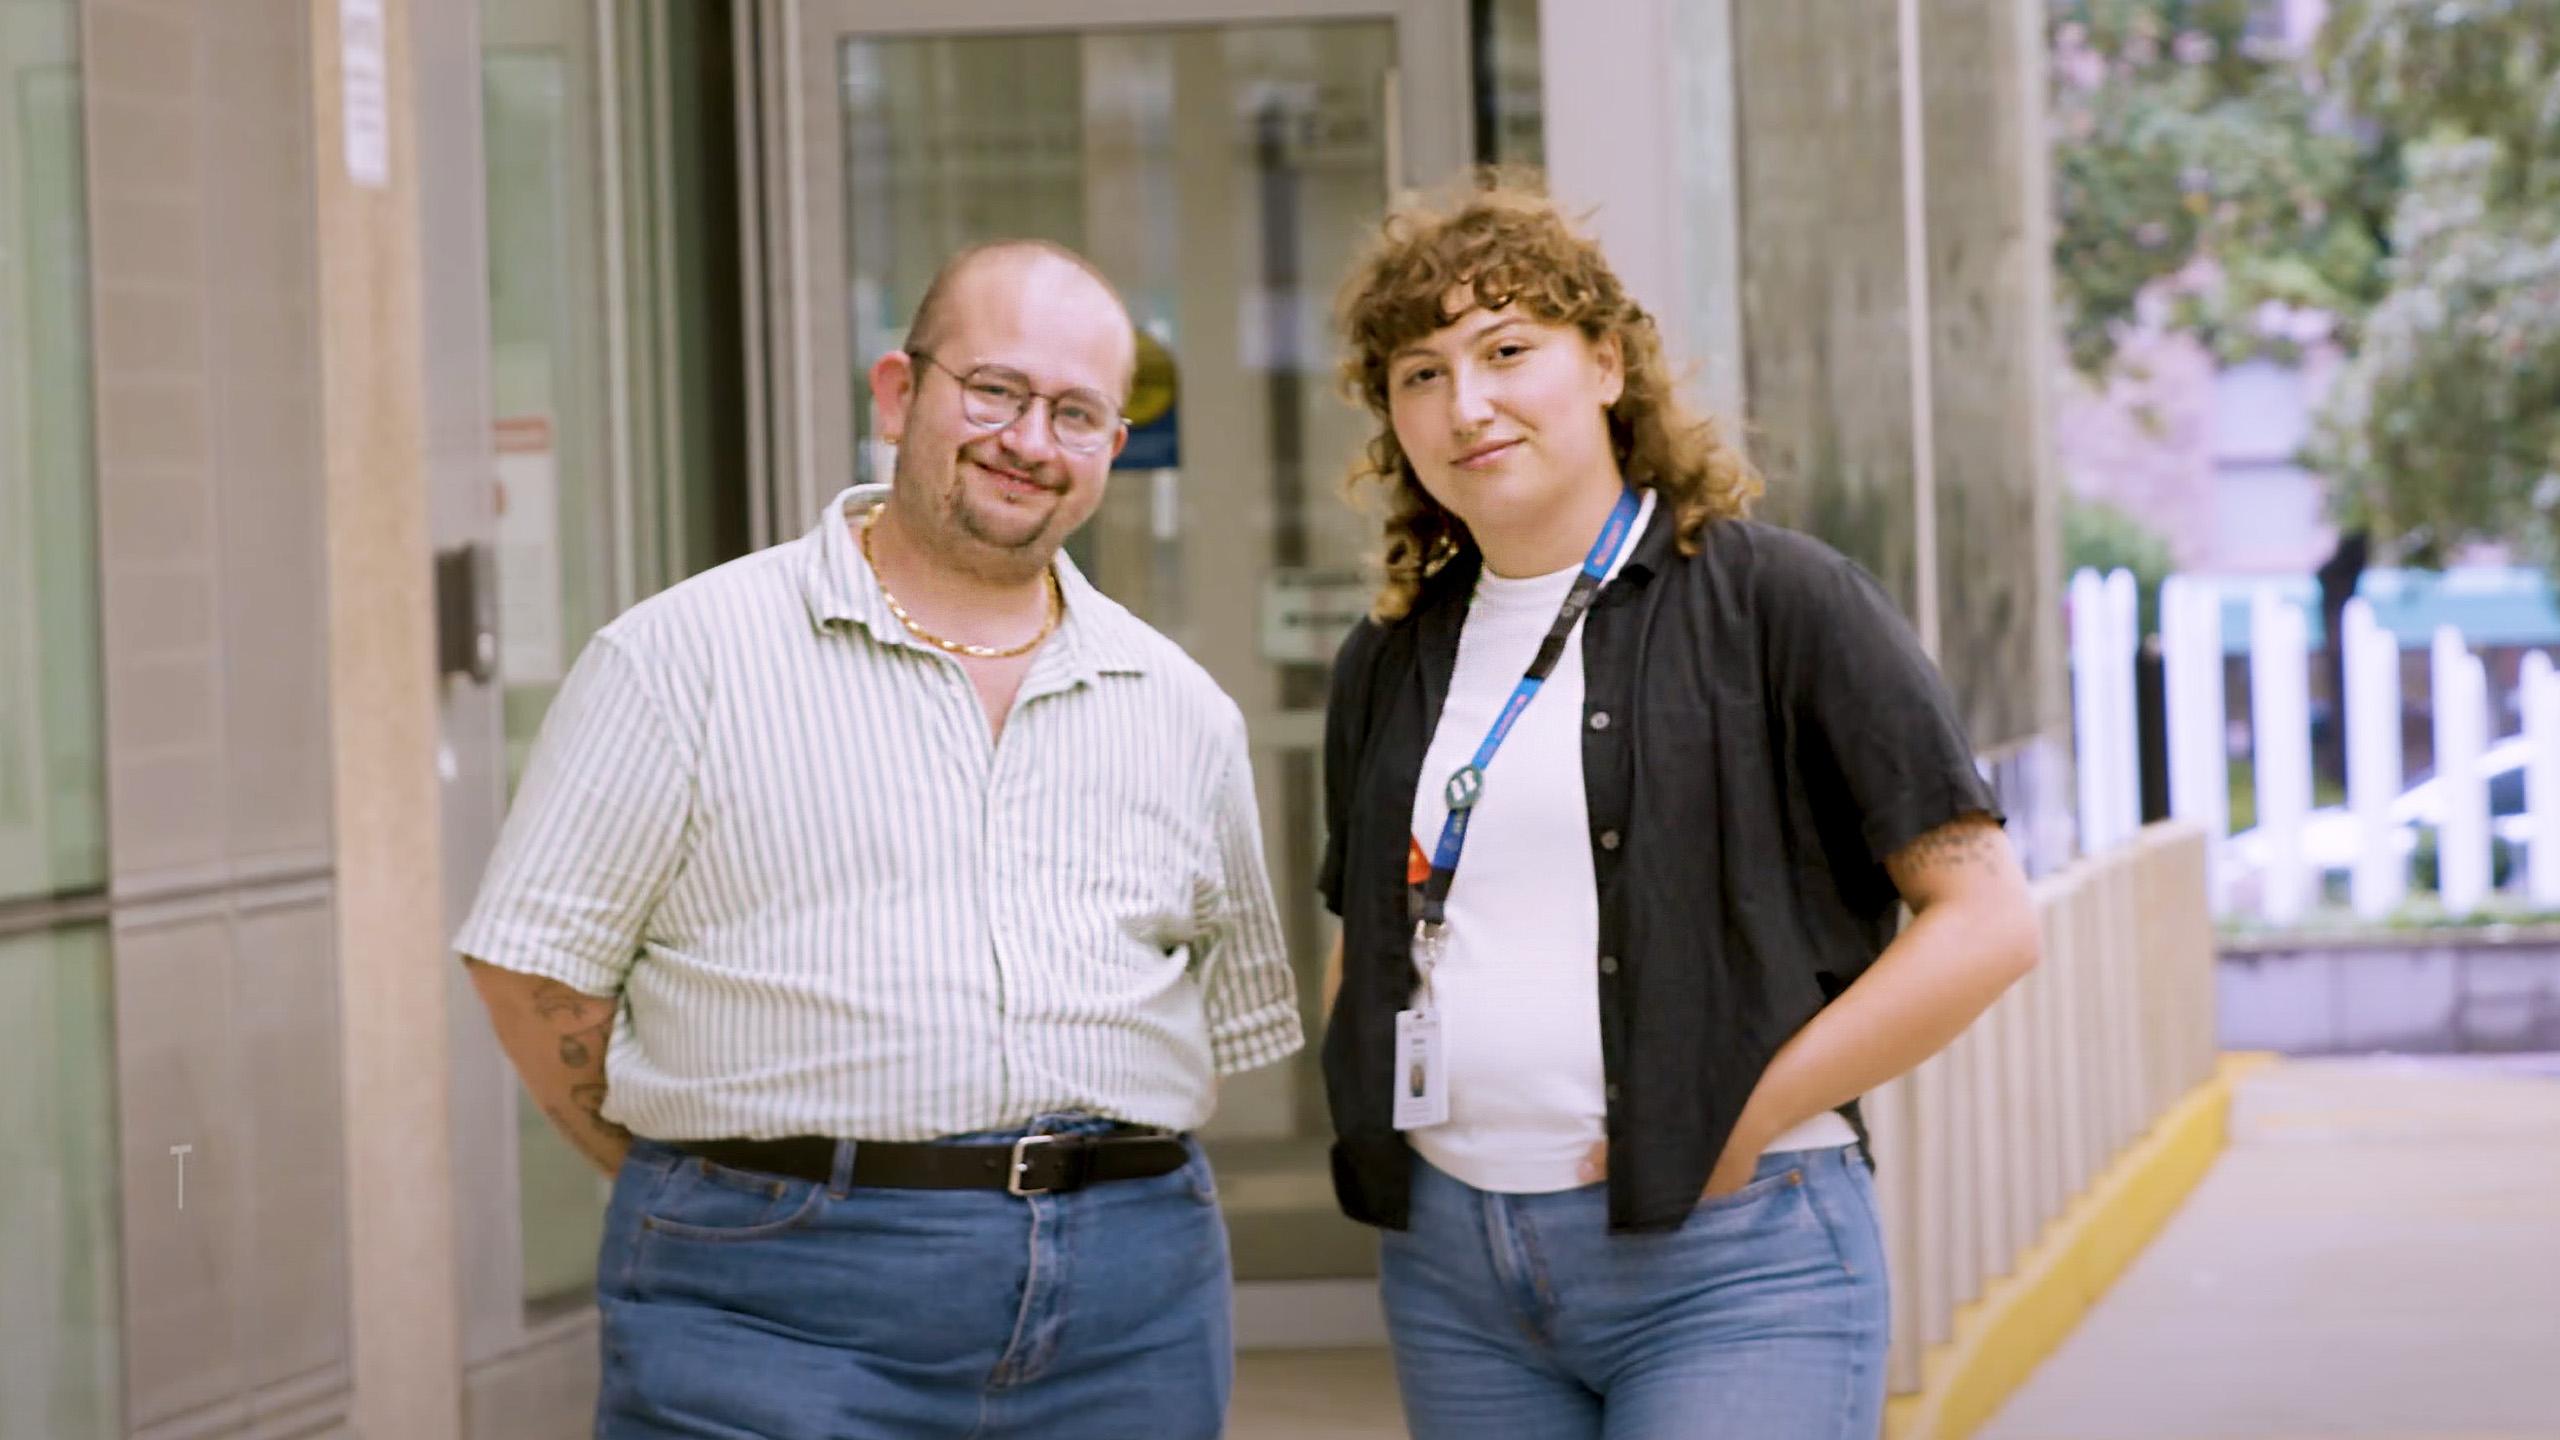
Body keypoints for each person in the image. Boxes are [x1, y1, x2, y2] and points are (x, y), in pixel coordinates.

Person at [454, 239, 1302, 1440]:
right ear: (899, 392)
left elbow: (1224, 1008)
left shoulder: (1180, 710)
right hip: (775, 1297)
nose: (1026, 439)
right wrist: (727, 1174)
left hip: (1130, 1308)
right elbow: (531, 970)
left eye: (1073, 413)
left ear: (1111, 453)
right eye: (994, 391)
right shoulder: (680, 660)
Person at [1316, 178, 2042, 1440]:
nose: (1465, 404)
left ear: (1604, 362)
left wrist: (1737, 1116)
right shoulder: (1387, 660)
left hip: (1731, 1251)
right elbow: (1369, 924)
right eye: (1419, 374)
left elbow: (1983, 920)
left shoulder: (1782, 605)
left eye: (1505, 351)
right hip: (1454, 1268)